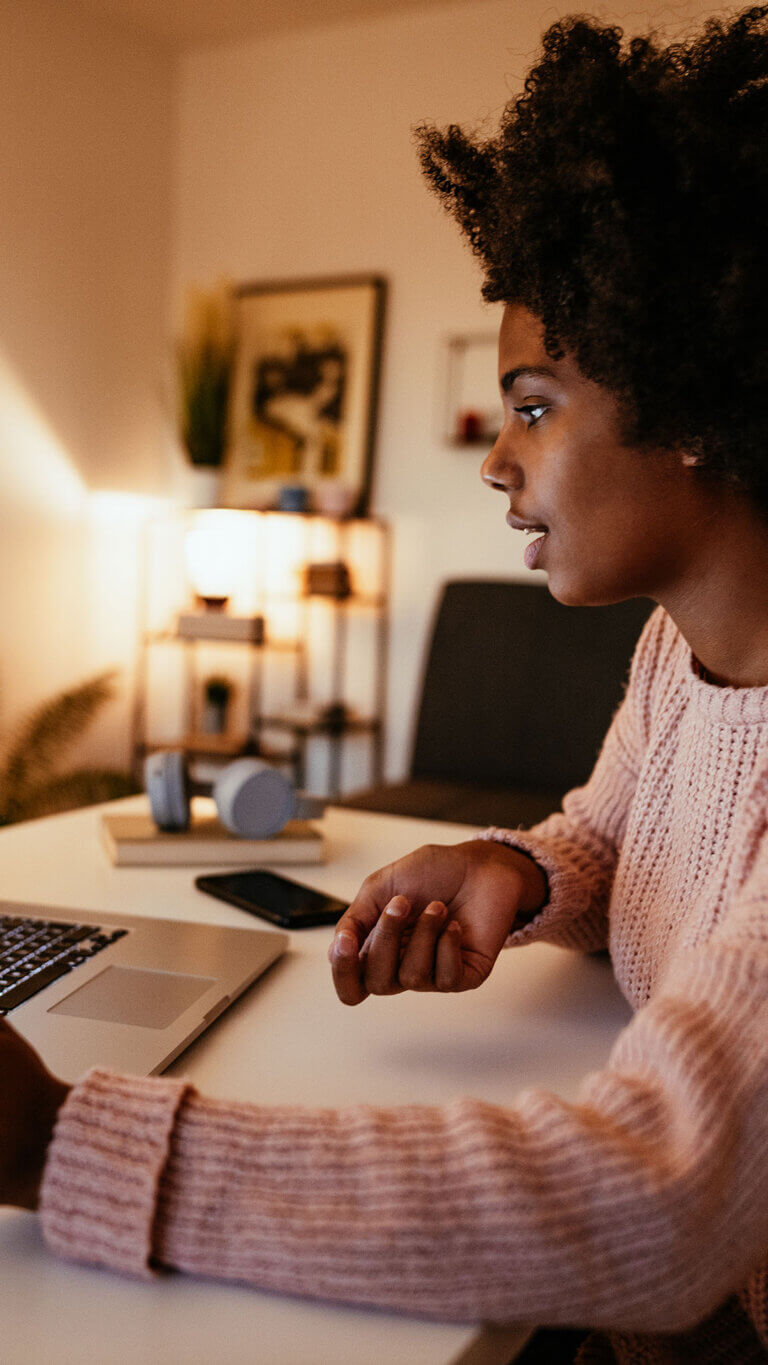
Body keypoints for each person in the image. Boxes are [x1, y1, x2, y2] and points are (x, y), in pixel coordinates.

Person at [3, 8, 768, 1362]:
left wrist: (58, 1137)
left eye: (532, 406)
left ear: (702, 408)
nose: (494, 460)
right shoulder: (679, 651)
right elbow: (610, 833)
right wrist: (515, 868)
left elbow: (658, 1190)